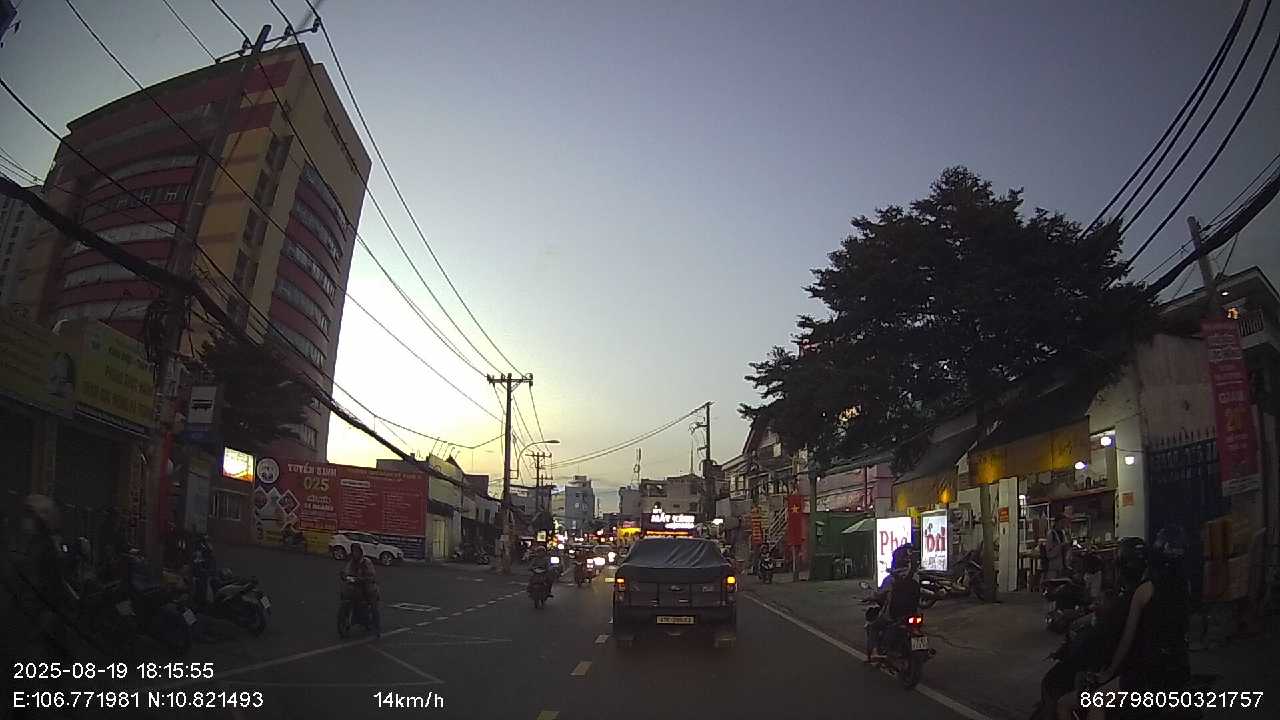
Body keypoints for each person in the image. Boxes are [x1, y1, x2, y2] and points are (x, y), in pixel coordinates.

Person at [1090, 528, 1191, 718]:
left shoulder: (1145, 590)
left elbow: (1126, 640)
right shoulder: (1185, 586)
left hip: (1150, 674)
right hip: (1179, 668)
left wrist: (1109, 672)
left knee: (1097, 701)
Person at [866, 543, 921, 663]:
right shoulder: (915, 577)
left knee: (873, 626)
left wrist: (871, 596)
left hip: (894, 615)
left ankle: (875, 652)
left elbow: (879, 594)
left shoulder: (890, 579)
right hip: (913, 613)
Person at [340, 543, 380, 608]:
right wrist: (344, 575)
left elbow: (371, 575)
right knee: (346, 591)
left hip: (366, 585)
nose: (355, 553)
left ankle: (373, 609)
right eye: (353, 551)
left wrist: (362, 578)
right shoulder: (351, 562)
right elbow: (346, 570)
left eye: (357, 551)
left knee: (371, 597)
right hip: (355, 585)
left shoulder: (366, 562)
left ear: (360, 552)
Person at [1043, 516, 1069, 580]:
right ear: (1057, 523)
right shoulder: (1051, 534)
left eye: (1064, 522)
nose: (1063, 524)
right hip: (1053, 565)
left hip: (1062, 564)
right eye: (1062, 522)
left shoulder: (1063, 533)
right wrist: (1059, 547)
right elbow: (1048, 552)